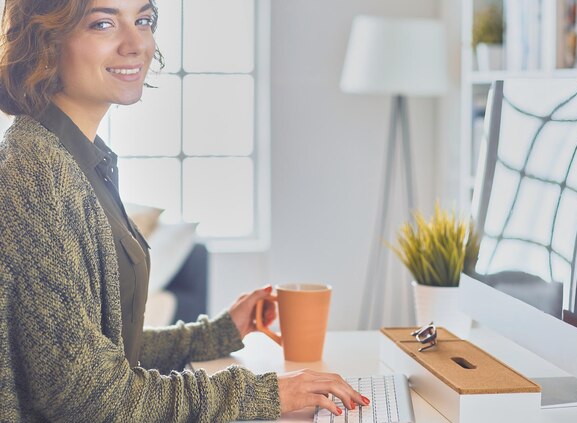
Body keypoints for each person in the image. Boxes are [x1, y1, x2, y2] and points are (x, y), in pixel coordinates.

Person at [0, 0, 369, 421]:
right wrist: (261, 394)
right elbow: (85, 395)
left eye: (143, 20)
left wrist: (216, 333)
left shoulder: (80, 160)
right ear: (44, 40)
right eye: (103, 24)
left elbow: (103, 349)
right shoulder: (34, 170)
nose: (135, 42)